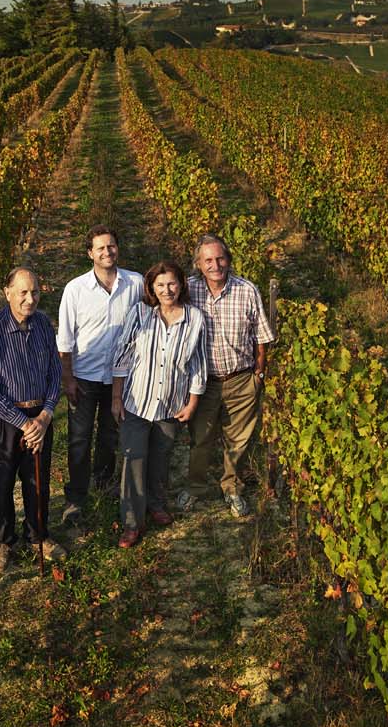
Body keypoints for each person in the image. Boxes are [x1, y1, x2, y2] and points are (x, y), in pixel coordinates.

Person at [109, 260, 208, 547]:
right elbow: (122, 356)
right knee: (134, 459)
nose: (167, 290)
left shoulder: (194, 318)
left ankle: (156, 505)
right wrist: (116, 397)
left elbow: (197, 364)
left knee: (161, 459)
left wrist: (192, 403)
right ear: (152, 287)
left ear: (181, 285)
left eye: (172, 283)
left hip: (171, 405)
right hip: (136, 403)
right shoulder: (141, 314)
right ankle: (131, 522)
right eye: (161, 284)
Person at [0, 268, 66, 572]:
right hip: (6, 420)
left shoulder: (42, 323)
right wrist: (24, 423)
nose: (30, 299)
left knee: (37, 480)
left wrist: (45, 415)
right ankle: (2, 540)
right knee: (3, 480)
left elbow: (55, 373)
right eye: (23, 292)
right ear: (7, 293)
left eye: (35, 292)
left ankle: (38, 535)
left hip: (40, 415)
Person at [55, 226, 142, 532]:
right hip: (85, 377)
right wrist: (68, 379)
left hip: (121, 377)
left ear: (118, 248)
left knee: (109, 434)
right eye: (100, 248)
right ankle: (76, 498)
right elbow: (65, 340)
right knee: (79, 439)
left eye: (111, 246)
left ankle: (103, 485)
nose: (107, 252)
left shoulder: (136, 283)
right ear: (90, 254)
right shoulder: (75, 289)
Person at [185, 234, 276, 517]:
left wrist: (258, 373)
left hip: (240, 379)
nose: (216, 265)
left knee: (239, 440)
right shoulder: (188, 290)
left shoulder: (246, 290)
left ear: (229, 259)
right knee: (201, 438)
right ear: (199, 264)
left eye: (220, 258)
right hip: (203, 382)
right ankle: (196, 486)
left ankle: (232, 488)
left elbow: (261, 335)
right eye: (208, 260)